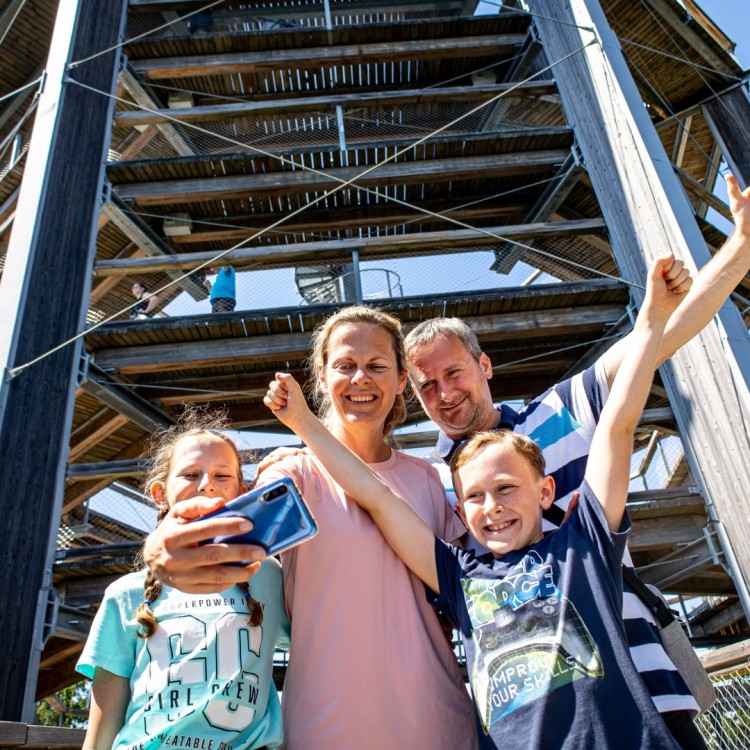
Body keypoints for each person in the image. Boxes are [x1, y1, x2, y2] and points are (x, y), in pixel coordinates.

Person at [264, 255, 690, 748]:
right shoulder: (461, 574)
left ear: (546, 491)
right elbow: (378, 498)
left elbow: (618, 423)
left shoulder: (581, 547)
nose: (492, 507)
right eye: (474, 497)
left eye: (507, 488)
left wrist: (654, 319)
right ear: (458, 512)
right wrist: (303, 425)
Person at [400, 174, 750, 750]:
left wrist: (738, 247)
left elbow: (659, 338)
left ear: (484, 366)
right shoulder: (431, 481)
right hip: (535, 704)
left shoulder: (563, 408)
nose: (443, 393)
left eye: (454, 372)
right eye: (426, 385)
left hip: (639, 664)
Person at [142, 306, 478, 750]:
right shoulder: (291, 471)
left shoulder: (427, 478)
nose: (361, 378)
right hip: (326, 726)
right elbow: (232, 544)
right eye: (345, 366)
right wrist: (162, 550)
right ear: (321, 375)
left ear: (401, 381)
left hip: (438, 721)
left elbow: (466, 588)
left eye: (377, 366)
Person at [77, 409, 290, 750]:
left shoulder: (268, 573)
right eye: (190, 473)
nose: (206, 483)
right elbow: (102, 729)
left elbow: (325, 645)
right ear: (160, 493)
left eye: (223, 475)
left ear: (241, 492)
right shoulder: (125, 594)